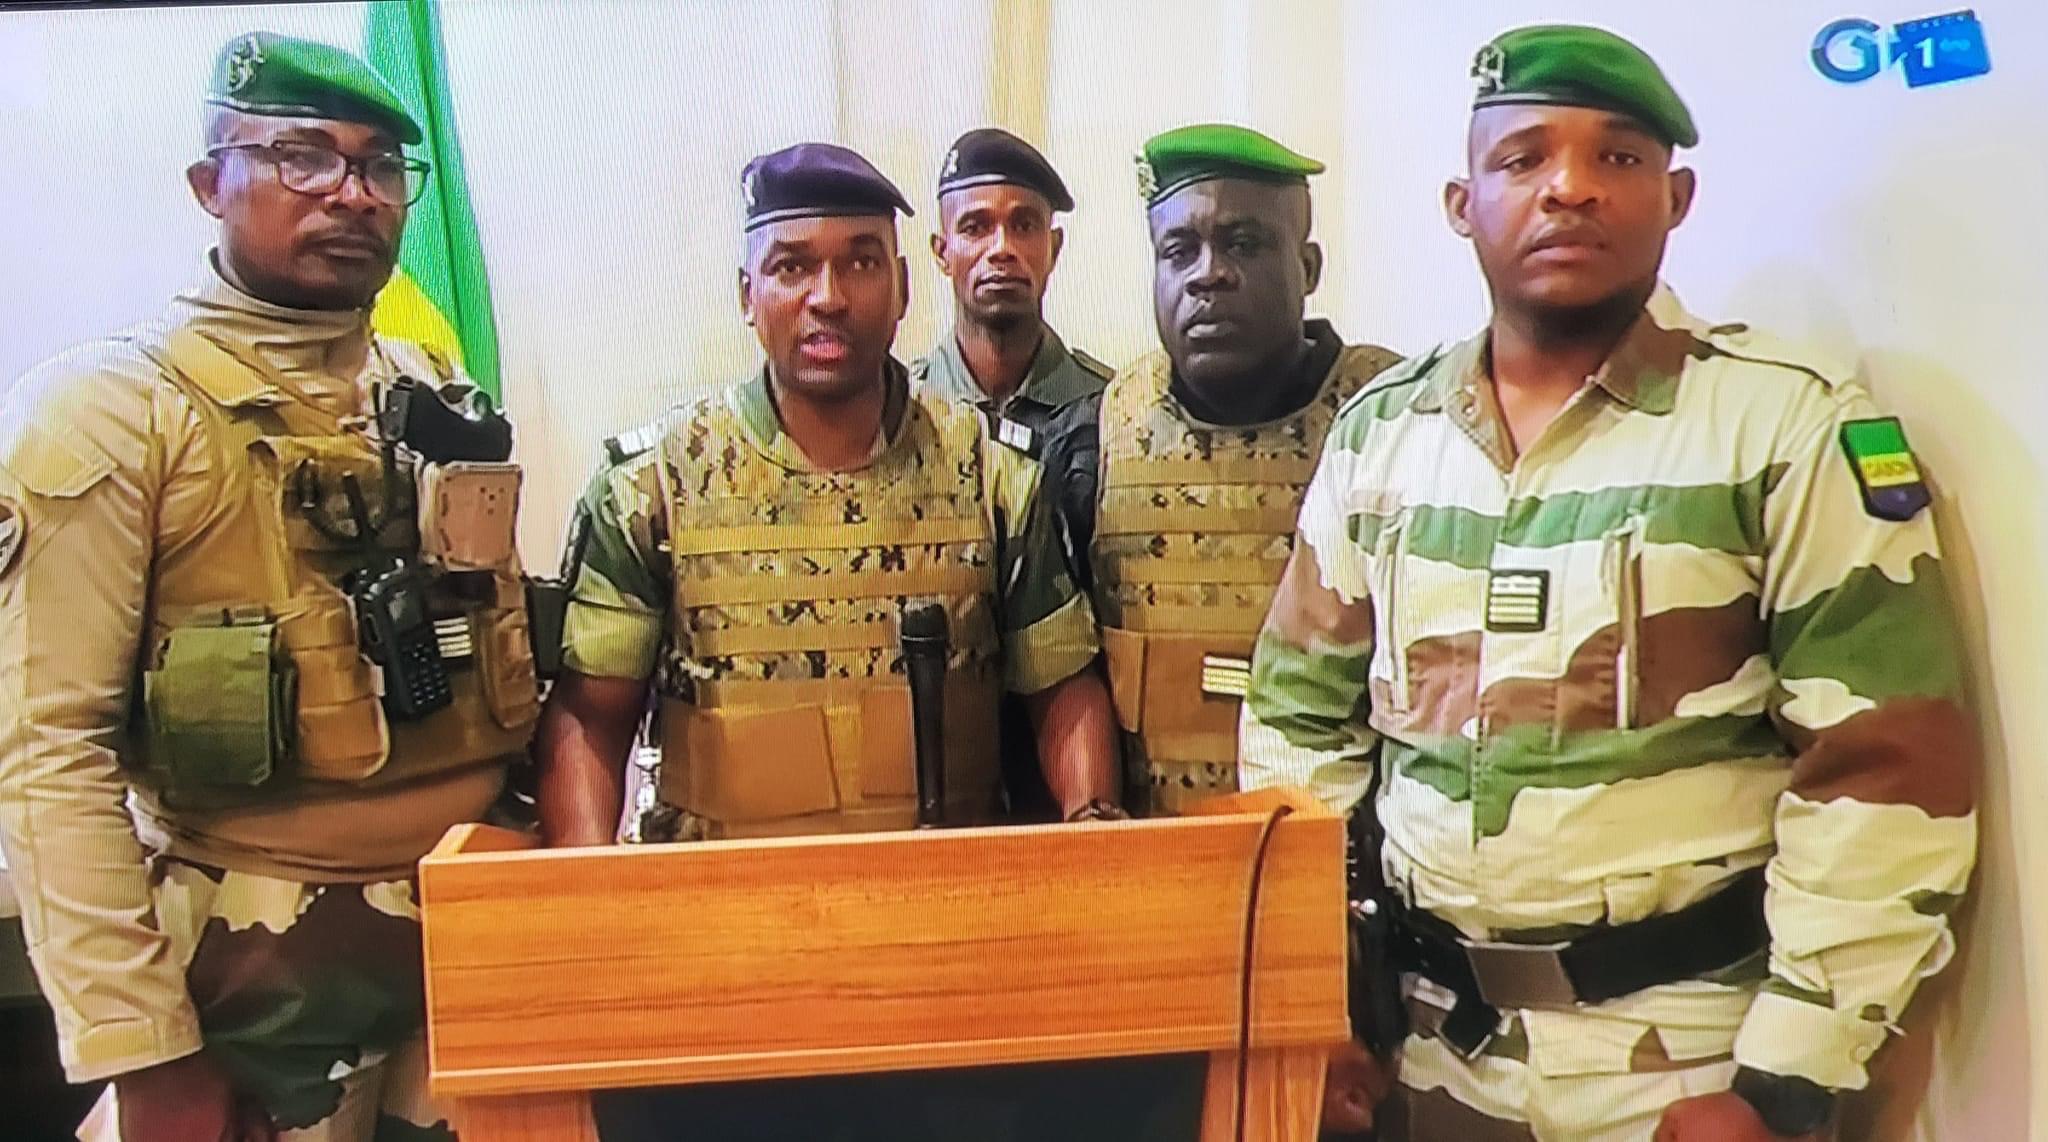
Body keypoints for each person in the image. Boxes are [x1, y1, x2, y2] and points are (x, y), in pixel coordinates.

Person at [1241, 24, 1977, 1141]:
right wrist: (1318, 1000)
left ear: (1675, 198)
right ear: (1461, 204)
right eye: (1524, 157)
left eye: (1618, 157)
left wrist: (1783, 1085)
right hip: (1428, 1056)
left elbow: (1884, 772)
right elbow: (1296, 726)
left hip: (1683, 1065)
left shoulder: (1782, 428)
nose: (1570, 188)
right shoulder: (1381, 440)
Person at [531, 142, 1132, 1140]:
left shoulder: (991, 476)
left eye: (859, 262)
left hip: (946, 975)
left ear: (902, 288)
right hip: (722, 974)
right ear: (747, 294)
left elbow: (1061, 685)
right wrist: (597, 926)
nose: (827, 296)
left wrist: (1092, 841)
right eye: (791, 266)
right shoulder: (653, 484)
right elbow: (589, 718)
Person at [0, 32, 541, 1141]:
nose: (351, 192)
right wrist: (145, 1053)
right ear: (211, 183)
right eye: (303, 157)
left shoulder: (431, 388)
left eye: (380, 166)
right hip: (254, 982)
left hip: (467, 946)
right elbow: (48, 752)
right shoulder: (111, 413)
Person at [1040, 123, 1401, 817]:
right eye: (1179, 251)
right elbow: (1057, 690)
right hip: (1157, 863)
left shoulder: (1394, 432)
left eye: (1244, 243)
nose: (1208, 274)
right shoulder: (1092, 444)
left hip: (1340, 866)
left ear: (1309, 267)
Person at [913, 126, 1112, 820]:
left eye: (1024, 225)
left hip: (1079, 760)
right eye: (975, 226)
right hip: (939, 777)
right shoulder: (901, 423)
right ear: (941, 251)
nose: (1002, 248)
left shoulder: (1114, 416)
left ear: (1052, 248)